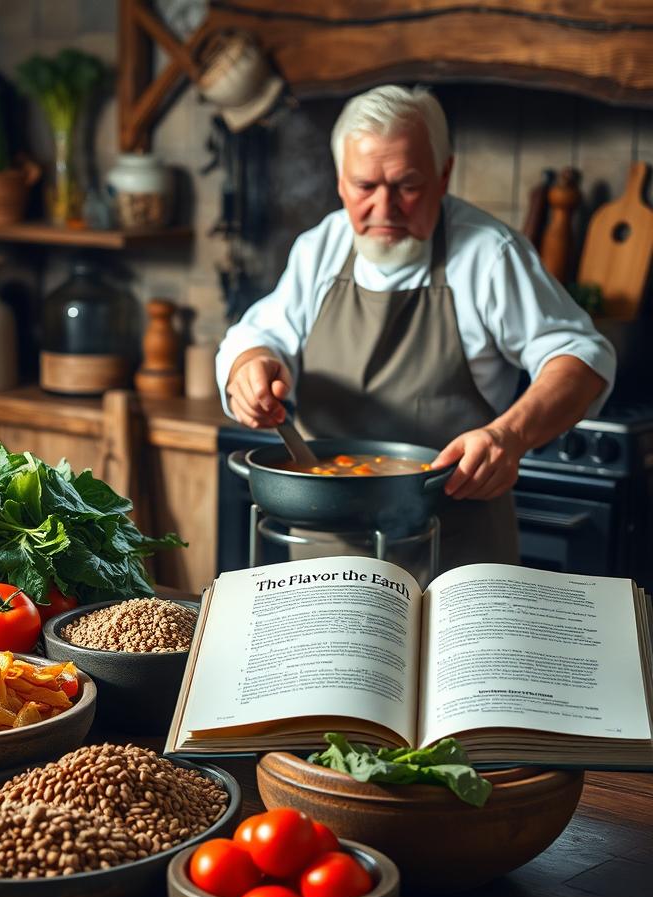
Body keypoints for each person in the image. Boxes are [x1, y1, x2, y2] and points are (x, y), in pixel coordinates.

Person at [216, 84, 615, 569]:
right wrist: (249, 368)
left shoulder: (489, 255)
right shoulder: (319, 248)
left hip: (457, 556)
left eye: (407, 186)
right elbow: (259, 334)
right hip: (323, 551)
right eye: (364, 187)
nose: (385, 210)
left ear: (444, 174)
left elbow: (582, 357)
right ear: (341, 180)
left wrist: (510, 435)